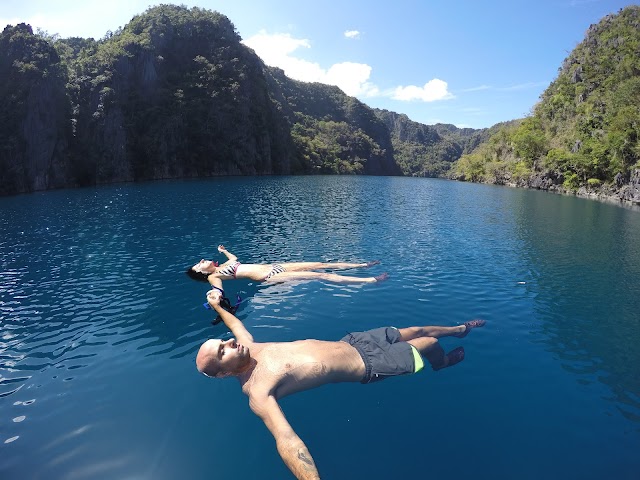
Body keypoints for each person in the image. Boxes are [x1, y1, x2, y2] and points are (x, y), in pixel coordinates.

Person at [197, 288, 486, 480]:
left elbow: (234, 324)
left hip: (355, 342)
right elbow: (286, 440)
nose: (230, 343)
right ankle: (442, 363)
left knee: (417, 330)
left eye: (222, 342)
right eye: (223, 351)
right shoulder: (258, 391)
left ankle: (460, 330)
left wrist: (215, 305)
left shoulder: (248, 345)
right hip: (371, 365)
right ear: (224, 373)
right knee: (430, 342)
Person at [186, 245, 388, 285]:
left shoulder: (224, 266)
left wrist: (223, 251)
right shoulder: (214, 276)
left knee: (318, 264)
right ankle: (370, 280)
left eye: (200, 260)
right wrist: (217, 296)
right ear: (202, 274)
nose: (202, 261)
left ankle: (361, 265)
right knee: (321, 275)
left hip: (276, 265)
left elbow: (234, 258)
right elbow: (217, 289)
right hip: (270, 277)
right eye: (199, 265)